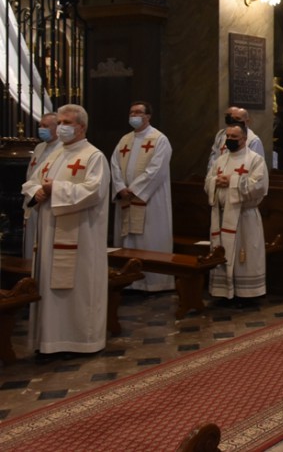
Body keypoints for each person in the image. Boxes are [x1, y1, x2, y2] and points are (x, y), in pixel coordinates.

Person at [22, 104, 109, 361]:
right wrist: (36, 191)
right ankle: (50, 340)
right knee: (49, 287)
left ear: (81, 127)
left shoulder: (94, 156)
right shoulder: (55, 153)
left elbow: (93, 192)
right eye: (59, 122)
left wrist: (53, 189)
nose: (61, 127)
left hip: (80, 236)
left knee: (76, 288)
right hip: (49, 232)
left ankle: (79, 340)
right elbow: (32, 180)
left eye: (66, 122)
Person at [110, 101, 174, 291]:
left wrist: (135, 189)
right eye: (131, 112)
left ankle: (153, 283)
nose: (134, 116)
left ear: (148, 116)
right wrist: (120, 187)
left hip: (150, 199)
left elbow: (157, 169)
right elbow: (114, 165)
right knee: (128, 238)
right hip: (126, 198)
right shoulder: (125, 140)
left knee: (149, 238)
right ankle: (129, 282)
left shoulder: (159, 139)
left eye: (138, 112)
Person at [205, 121, 269, 302]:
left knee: (245, 255)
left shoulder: (255, 159)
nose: (231, 140)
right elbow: (207, 181)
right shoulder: (220, 159)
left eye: (235, 137)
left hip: (244, 216)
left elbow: (259, 186)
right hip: (221, 215)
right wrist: (214, 182)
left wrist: (231, 182)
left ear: (244, 138)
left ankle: (245, 294)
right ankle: (223, 292)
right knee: (222, 251)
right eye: (229, 137)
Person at [22, 112, 60, 260]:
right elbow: (31, 174)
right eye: (40, 126)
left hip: (47, 200)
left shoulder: (63, 148)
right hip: (32, 198)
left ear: (57, 128)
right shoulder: (39, 147)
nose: (41, 129)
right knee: (31, 244)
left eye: (45, 126)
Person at [207, 107, 264, 173]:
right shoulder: (221, 134)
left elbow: (256, 166)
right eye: (232, 118)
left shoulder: (253, 140)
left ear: (247, 121)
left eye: (237, 119)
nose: (233, 121)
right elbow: (214, 155)